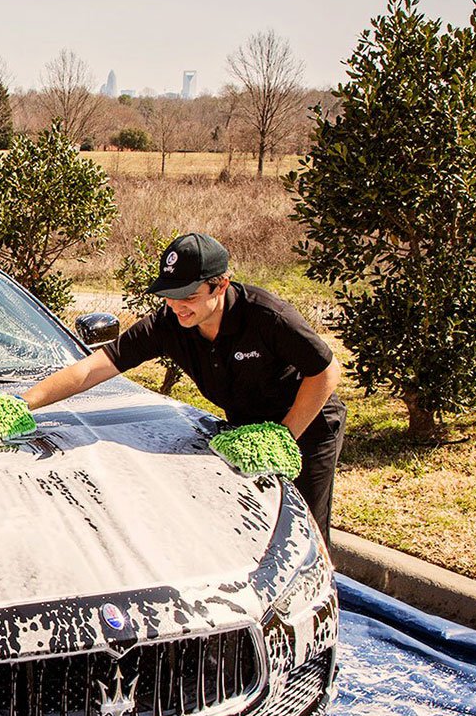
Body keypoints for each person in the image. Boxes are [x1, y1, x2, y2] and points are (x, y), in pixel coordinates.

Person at [21, 232, 346, 544]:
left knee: (300, 529)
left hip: (306, 425)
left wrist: (283, 437)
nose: (178, 306)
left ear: (221, 285)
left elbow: (326, 371)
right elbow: (92, 368)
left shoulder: (266, 316)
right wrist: (22, 404)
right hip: (243, 430)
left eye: (189, 296)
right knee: (251, 525)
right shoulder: (169, 323)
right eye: (170, 295)